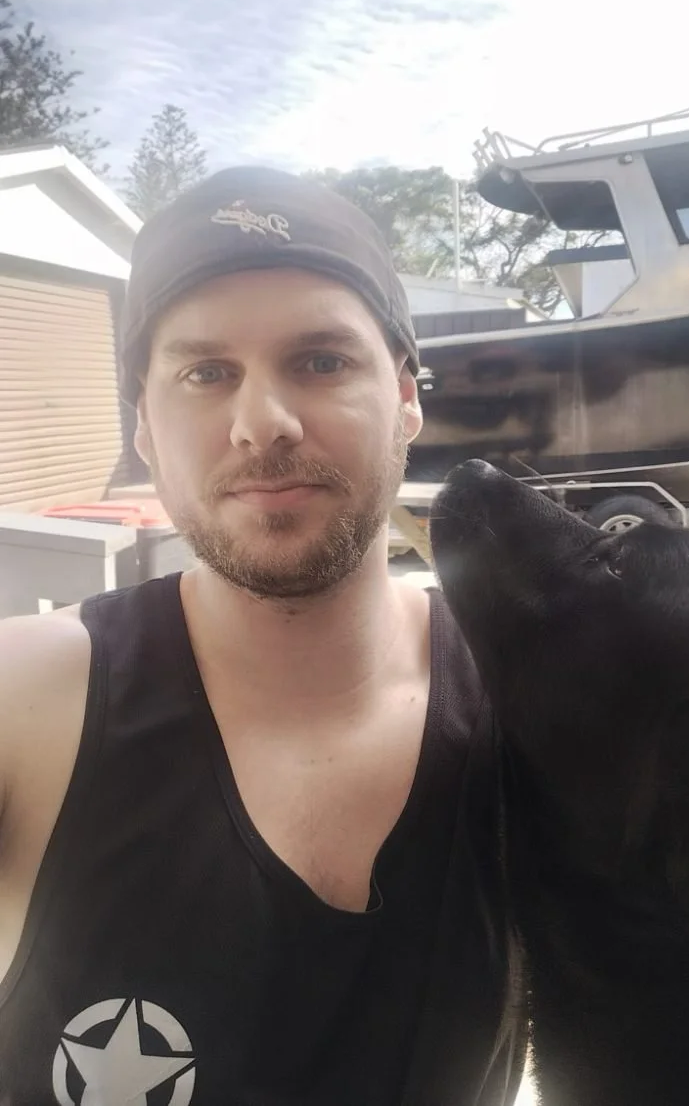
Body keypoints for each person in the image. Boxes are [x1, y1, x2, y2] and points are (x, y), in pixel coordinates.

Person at [0, 168, 528, 1104]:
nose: (264, 425)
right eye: (206, 373)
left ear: (406, 397)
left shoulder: (532, 700)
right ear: (147, 429)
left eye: (321, 361)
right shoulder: (25, 702)